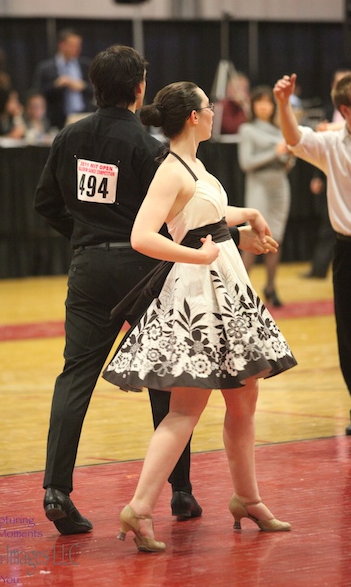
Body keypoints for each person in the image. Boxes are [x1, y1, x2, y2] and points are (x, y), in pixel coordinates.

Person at [34, 45, 279, 536]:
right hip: (147, 266)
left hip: (88, 267)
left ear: (95, 84)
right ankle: (180, 491)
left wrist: (87, 239)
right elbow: (179, 224)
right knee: (171, 372)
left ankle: (56, 490)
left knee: (76, 376)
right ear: (140, 87)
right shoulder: (153, 151)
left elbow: (46, 204)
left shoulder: (69, 135)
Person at [103, 81, 296, 552]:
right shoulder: (170, 170)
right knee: (187, 408)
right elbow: (143, 237)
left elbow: (205, 219)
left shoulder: (195, 165)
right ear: (193, 116)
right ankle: (140, 507)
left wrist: (245, 218)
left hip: (226, 289)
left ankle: (247, 498)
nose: (215, 113)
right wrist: (200, 258)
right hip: (197, 297)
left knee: (244, 398)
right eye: (210, 108)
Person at [273, 72, 351, 436]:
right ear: (344, 109)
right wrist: (284, 104)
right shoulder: (331, 144)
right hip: (348, 252)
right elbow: (294, 139)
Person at [238, 85, 294, 307]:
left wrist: (288, 156)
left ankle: (271, 286)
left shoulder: (281, 130)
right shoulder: (247, 130)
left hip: (280, 186)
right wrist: (275, 152)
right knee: (254, 237)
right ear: (253, 105)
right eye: (259, 102)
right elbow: (246, 163)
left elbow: (286, 166)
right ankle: (239, 289)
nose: (264, 106)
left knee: (276, 238)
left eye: (268, 102)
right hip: (258, 186)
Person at [301, 70, 351, 280]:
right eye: (340, 82)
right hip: (332, 174)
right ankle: (319, 269)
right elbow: (321, 146)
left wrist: (328, 128)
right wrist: (317, 176)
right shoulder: (327, 109)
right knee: (328, 224)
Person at [32, 28, 95, 130]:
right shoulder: (46, 68)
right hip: (57, 120)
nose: (77, 49)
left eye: (78, 45)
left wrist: (82, 86)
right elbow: (37, 94)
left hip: (83, 117)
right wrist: (56, 85)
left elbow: (96, 90)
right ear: (61, 45)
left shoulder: (85, 65)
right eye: (73, 45)